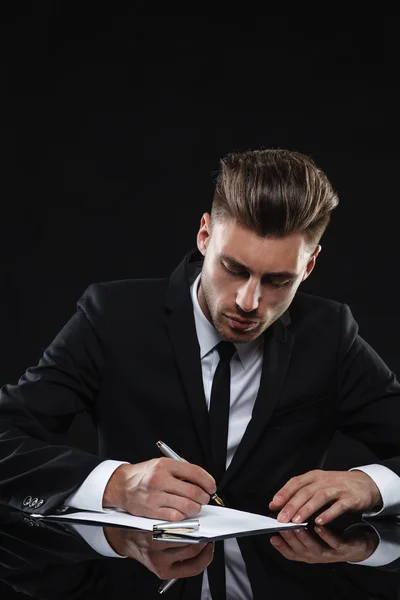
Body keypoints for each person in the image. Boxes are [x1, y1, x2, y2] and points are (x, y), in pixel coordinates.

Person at [1, 148, 400, 530]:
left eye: (278, 281)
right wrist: (116, 485)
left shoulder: (329, 334)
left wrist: (373, 484)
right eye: (233, 268)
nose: (248, 301)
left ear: (309, 265)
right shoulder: (112, 317)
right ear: (205, 235)